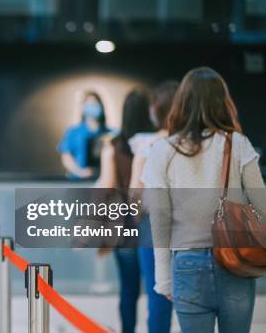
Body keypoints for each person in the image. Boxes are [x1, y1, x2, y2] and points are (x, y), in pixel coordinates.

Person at [142, 67, 266, 333]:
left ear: (182, 102)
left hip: (186, 264)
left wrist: (163, 278)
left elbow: (159, 219)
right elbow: (262, 206)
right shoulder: (238, 144)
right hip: (236, 261)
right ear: (223, 102)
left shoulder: (162, 151)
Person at [94, 88, 155, 333]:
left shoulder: (114, 145)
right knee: (155, 289)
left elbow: (107, 185)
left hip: (124, 226)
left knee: (128, 290)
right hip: (151, 224)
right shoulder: (156, 143)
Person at [123, 81, 178, 333]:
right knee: (194, 300)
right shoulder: (194, 143)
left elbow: (136, 189)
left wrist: (136, 217)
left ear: (157, 109)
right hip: (190, 228)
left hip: (152, 227)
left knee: (158, 298)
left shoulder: (146, 143)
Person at [58, 91, 108, 179]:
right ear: (83, 108)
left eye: (95, 104)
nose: (92, 107)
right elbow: (66, 157)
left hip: (103, 181)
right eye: (89, 104)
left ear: (101, 107)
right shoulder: (73, 132)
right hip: (78, 182)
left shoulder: (109, 133)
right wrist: (80, 172)